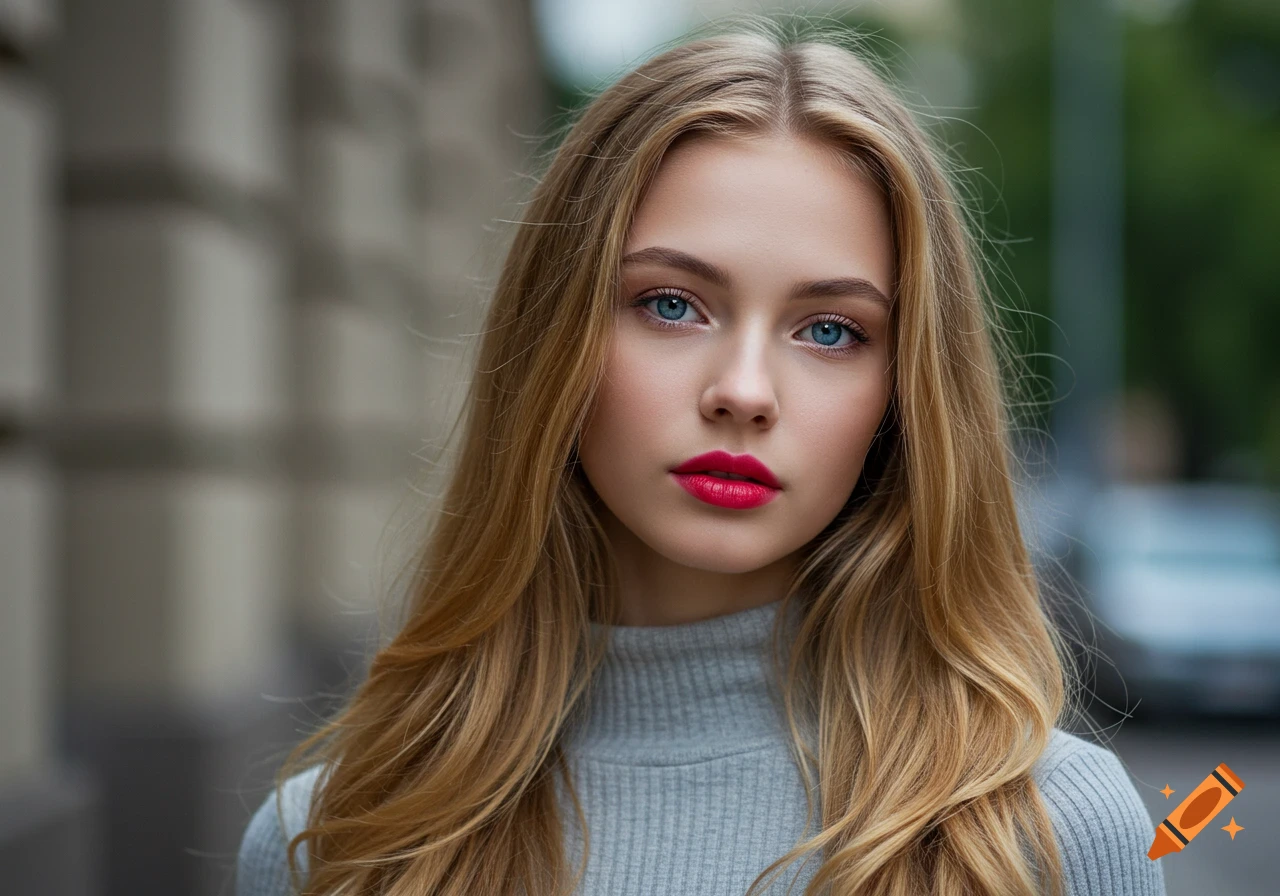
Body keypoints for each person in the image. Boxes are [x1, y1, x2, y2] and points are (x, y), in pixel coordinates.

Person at [236, 14, 1166, 896]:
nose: (745, 390)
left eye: (832, 330)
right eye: (673, 304)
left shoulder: (1042, 833)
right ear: (556, 336)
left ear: (905, 398)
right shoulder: (342, 836)